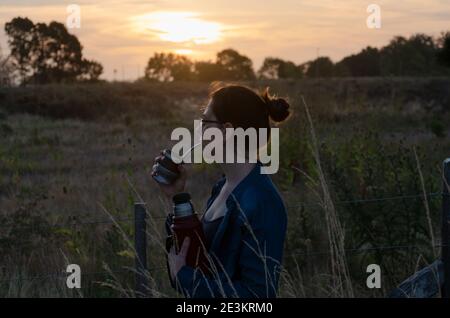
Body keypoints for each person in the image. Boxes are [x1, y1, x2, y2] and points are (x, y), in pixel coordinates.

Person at [152, 84, 290, 298]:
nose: (199, 130)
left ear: (225, 130)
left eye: (205, 122)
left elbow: (257, 298)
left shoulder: (263, 203)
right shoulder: (223, 187)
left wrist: (187, 278)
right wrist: (176, 198)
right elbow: (203, 260)